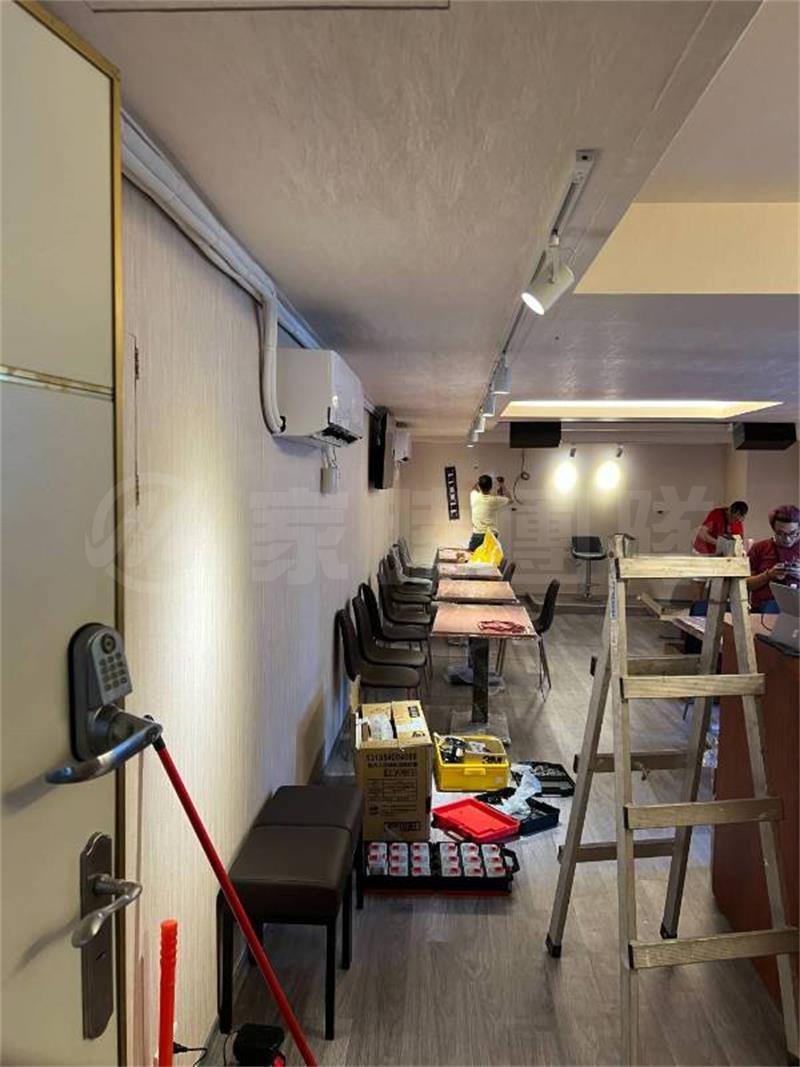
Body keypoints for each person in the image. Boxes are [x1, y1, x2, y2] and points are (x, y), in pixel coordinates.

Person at [746, 504, 800, 611]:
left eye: (793, 533)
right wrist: (768, 575)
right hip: (763, 608)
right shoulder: (759, 548)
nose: (787, 539)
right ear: (773, 529)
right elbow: (744, 585)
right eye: (780, 533)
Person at [468, 474, 510, 552]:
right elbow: (510, 499)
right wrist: (502, 484)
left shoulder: (474, 496)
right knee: (490, 558)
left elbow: (474, 488)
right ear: (491, 487)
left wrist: (479, 482)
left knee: (473, 557)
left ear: (479, 486)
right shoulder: (494, 500)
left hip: (478, 535)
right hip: (491, 535)